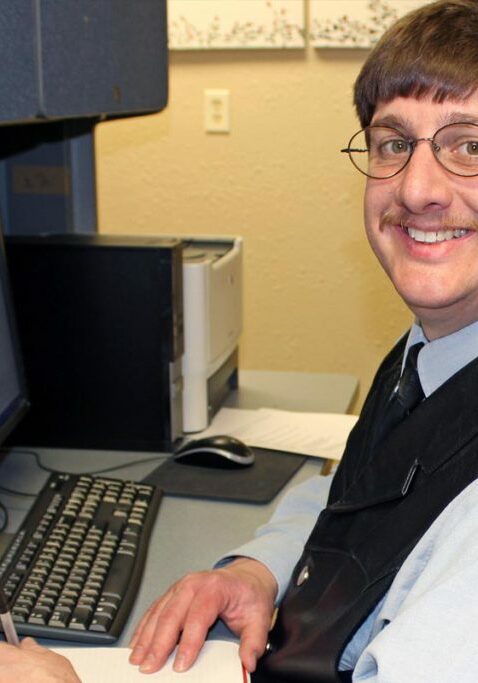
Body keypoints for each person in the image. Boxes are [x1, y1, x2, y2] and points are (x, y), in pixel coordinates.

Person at [2, 0, 478, 680]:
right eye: (394, 143)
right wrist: (259, 569)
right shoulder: (435, 352)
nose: (418, 187)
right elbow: (357, 488)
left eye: (470, 146)